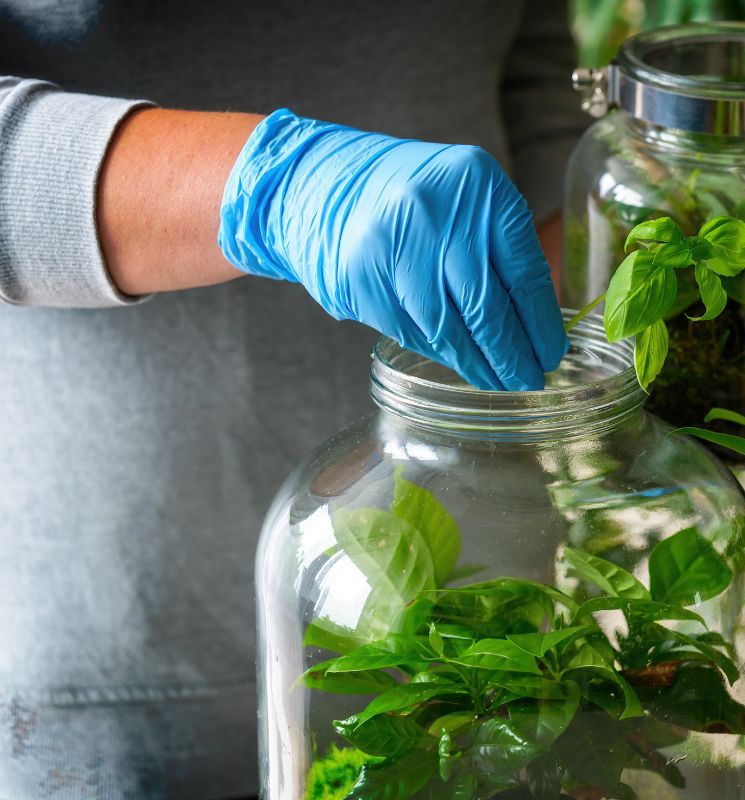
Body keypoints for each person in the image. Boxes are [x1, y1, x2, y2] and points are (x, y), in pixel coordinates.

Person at [0, 2, 585, 797]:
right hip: (118, 652)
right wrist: (281, 185)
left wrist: (587, 227)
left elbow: (529, 61)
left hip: (477, 640)